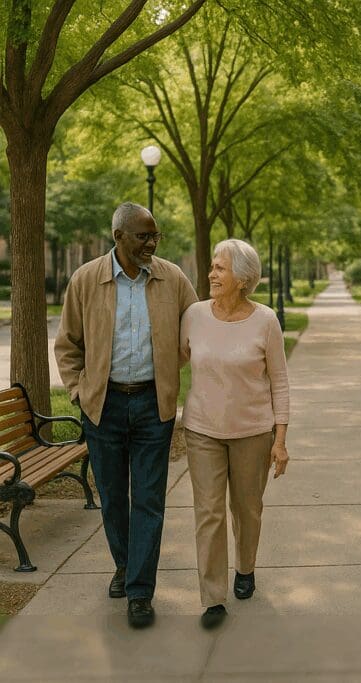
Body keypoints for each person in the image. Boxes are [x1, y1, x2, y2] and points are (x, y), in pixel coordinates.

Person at [55, 202, 198, 629]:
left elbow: (196, 327)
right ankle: (124, 564)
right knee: (114, 499)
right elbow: (68, 344)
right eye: (143, 236)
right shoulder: (85, 280)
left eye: (156, 236)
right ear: (118, 236)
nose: (152, 243)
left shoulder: (172, 277)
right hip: (105, 406)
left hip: (154, 406)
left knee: (150, 500)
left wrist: (176, 365)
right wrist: (79, 392)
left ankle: (139, 590)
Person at [180, 238, 290, 630]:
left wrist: (279, 439)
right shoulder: (193, 315)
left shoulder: (265, 320)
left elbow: (279, 382)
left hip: (253, 431)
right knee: (208, 511)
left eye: (220, 269)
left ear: (243, 279)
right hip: (202, 430)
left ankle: (245, 567)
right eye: (212, 267)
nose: (211, 274)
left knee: (247, 509)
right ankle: (212, 597)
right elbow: (176, 359)